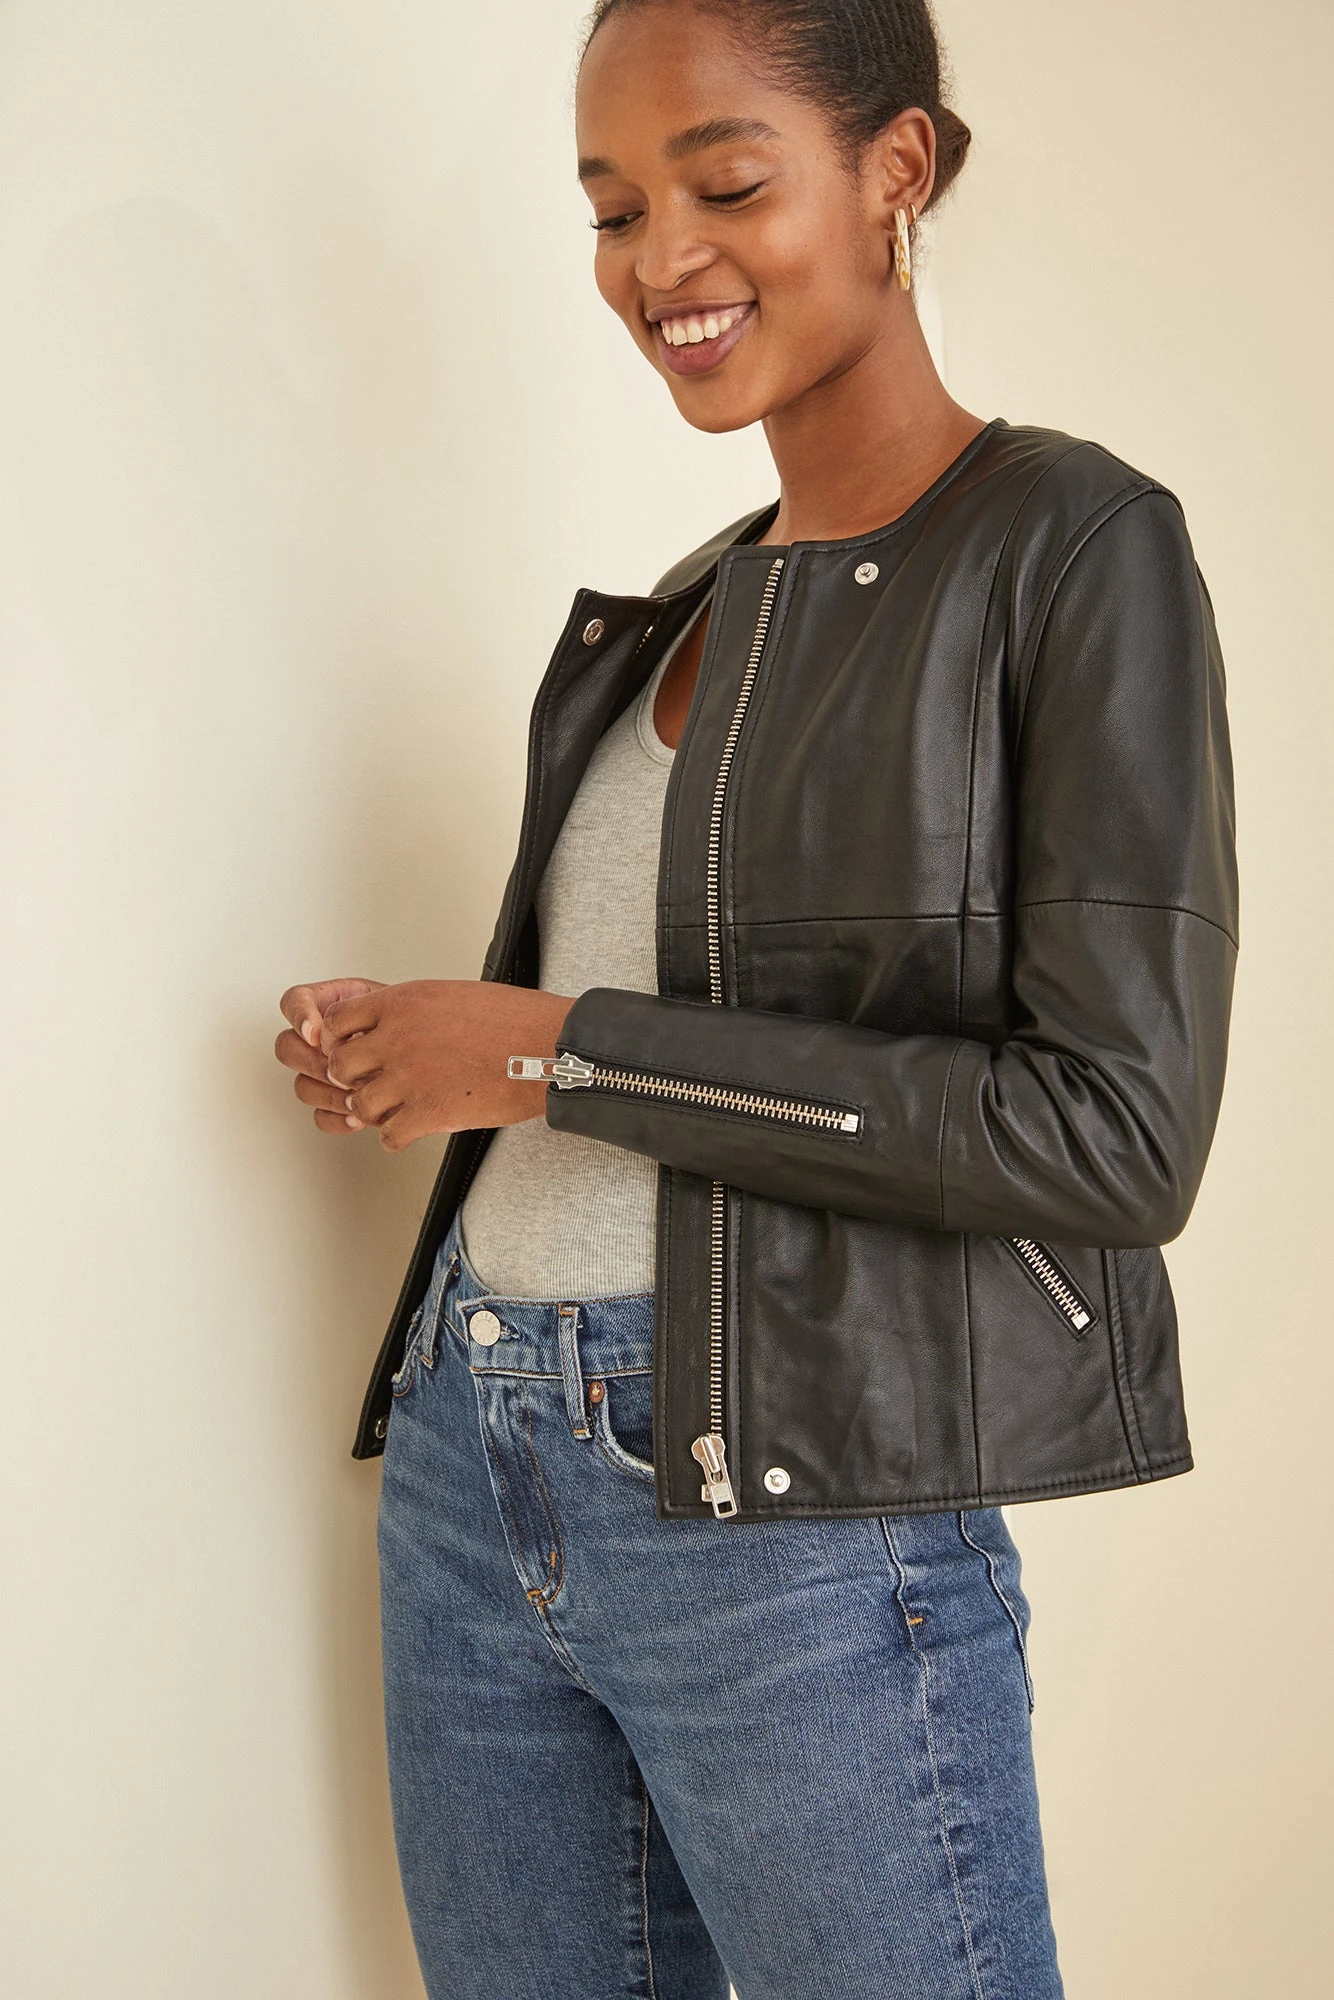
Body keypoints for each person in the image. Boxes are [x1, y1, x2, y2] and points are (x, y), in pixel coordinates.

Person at [273, 2, 1238, 1994]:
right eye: (613, 208)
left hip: (793, 1516)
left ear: (899, 171)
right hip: (473, 1466)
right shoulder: (687, 603)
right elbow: (627, 1045)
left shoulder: (1068, 547)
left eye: (723, 182)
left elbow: (1113, 1131)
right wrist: (421, 1052)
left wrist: (544, 1052)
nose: (660, 260)